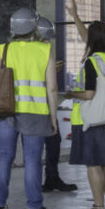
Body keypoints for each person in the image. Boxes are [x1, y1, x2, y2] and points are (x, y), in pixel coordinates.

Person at [0, 7, 61, 209]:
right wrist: (53, 118)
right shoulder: (44, 51)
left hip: (6, 112)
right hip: (36, 114)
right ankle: (34, 207)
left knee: (4, 157)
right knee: (32, 160)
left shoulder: (4, 49)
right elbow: (52, 88)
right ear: (34, 27)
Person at [65, 0, 105, 209]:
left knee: (93, 166)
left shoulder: (91, 63)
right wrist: (75, 16)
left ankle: (97, 208)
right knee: (104, 165)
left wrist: (68, 93)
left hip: (87, 119)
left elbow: (88, 94)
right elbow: (87, 38)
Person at [34, 15, 78, 194]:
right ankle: (40, 184)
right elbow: (50, 87)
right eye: (44, 37)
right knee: (41, 145)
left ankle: (50, 178)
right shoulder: (42, 52)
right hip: (39, 107)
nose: (47, 41)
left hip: (37, 105)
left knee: (51, 143)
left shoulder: (14, 50)